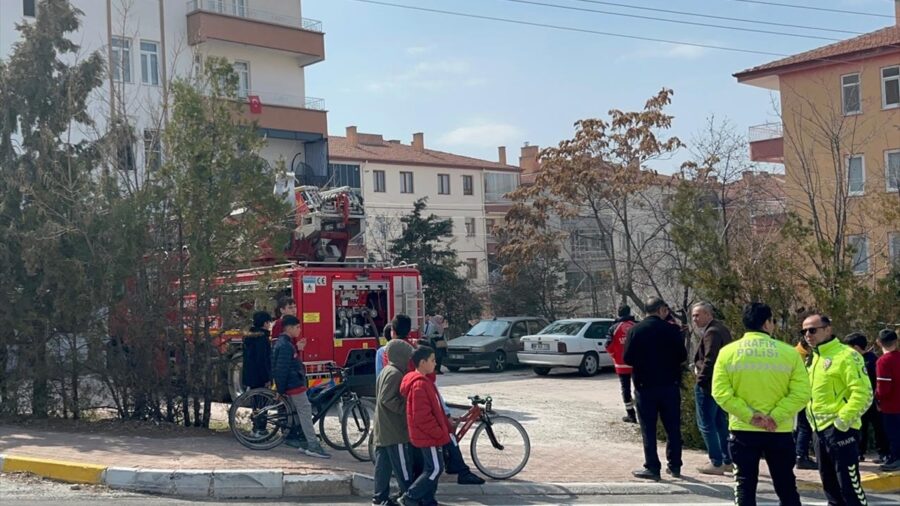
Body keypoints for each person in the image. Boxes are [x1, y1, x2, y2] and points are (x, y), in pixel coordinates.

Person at [712, 302, 809, 506]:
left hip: (743, 429)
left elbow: (720, 393)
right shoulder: (789, 353)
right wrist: (776, 416)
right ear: (767, 323)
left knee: (744, 486)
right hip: (779, 430)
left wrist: (750, 415)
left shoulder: (728, 352)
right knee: (786, 486)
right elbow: (802, 393)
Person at [803, 312, 871, 506]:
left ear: (828, 329)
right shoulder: (812, 358)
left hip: (841, 431)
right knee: (830, 489)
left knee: (850, 489)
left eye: (813, 330)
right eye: (804, 331)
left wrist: (842, 422)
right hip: (819, 431)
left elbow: (864, 393)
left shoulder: (847, 355)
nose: (808, 334)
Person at [623, 297, 687, 481]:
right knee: (673, 427)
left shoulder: (636, 330)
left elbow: (627, 358)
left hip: (645, 386)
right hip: (669, 385)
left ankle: (652, 467)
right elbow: (682, 355)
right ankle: (675, 465)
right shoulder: (672, 330)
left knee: (648, 428)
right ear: (660, 310)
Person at [271, 315, 330, 459]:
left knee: (299, 413)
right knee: (305, 410)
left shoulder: (285, 343)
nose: (299, 330)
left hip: (292, 383)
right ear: (289, 328)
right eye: (297, 327)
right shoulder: (286, 346)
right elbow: (281, 369)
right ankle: (312, 445)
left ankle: (303, 441)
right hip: (294, 385)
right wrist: (280, 390)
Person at [399, 346, 450, 506]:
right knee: (434, 468)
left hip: (429, 434)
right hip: (429, 436)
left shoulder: (422, 381)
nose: (435, 363)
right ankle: (410, 497)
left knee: (432, 467)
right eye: (433, 360)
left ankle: (428, 499)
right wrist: (438, 432)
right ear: (422, 362)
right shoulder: (419, 384)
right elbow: (422, 416)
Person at [690, 301, 734, 475]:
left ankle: (716, 462)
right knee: (719, 422)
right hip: (718, 384)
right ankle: (727, 459)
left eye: (698, 315)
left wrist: (700, 380)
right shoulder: (720, 329)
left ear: (709, 314)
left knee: (706, 423)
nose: (695, 319)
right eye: (693, 315)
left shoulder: (713, 332)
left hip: (708, 385)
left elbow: (710, 359)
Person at [372, 336, 416, 506]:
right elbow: (387, 399)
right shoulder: (395, 373)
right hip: (394, 428)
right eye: (407, 356)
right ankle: (408, 496)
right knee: (402, 465)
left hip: (383, 426)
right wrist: (406, 409)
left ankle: (379, 497)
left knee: (383, 465)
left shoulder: (386, 370)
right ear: (401, 356)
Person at [844, 332, 890, 463]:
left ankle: (883, 453)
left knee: (879, 428)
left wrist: (878, 400)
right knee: (860, 428)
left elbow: (878, 382)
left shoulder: (872, 360)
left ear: (857, 347)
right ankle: (859, 452)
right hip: (858, 400)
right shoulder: (851, 360)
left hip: (873, 401)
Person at [605, 305, 638, 423]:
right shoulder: (636, 325)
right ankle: (642, 412)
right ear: (629, 312)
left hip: (621, 364)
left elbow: (608, 345)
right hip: (637, 364)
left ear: (618, 314)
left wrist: (615, 356)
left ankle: (631, 414)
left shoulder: (614, 328)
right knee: (640, 387)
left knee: (626, 389)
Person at [244, 311, 274, 436]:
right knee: (262, 404)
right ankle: (260, 429)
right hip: (260, 376)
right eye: (269, 322)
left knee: (256, 404)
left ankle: (255, 428)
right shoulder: (262, 338)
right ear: (265, 323)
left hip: (251, 374)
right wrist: (267, 378)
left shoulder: (250, 336)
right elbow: (263, 360)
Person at [875, 329, 900, 471]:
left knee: (893, 433)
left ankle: (895, 458)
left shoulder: (883, 361)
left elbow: (883, 387)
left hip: (890, 405)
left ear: (879, 342)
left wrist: (878, 400)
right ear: (896, 341)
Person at [793, 338, 817, 470]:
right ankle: (801, 457)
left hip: (797, 395)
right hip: (803, 395)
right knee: (804, 427)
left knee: (800, 428)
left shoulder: (795, 353)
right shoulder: (801, 356)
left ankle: (799, 454)